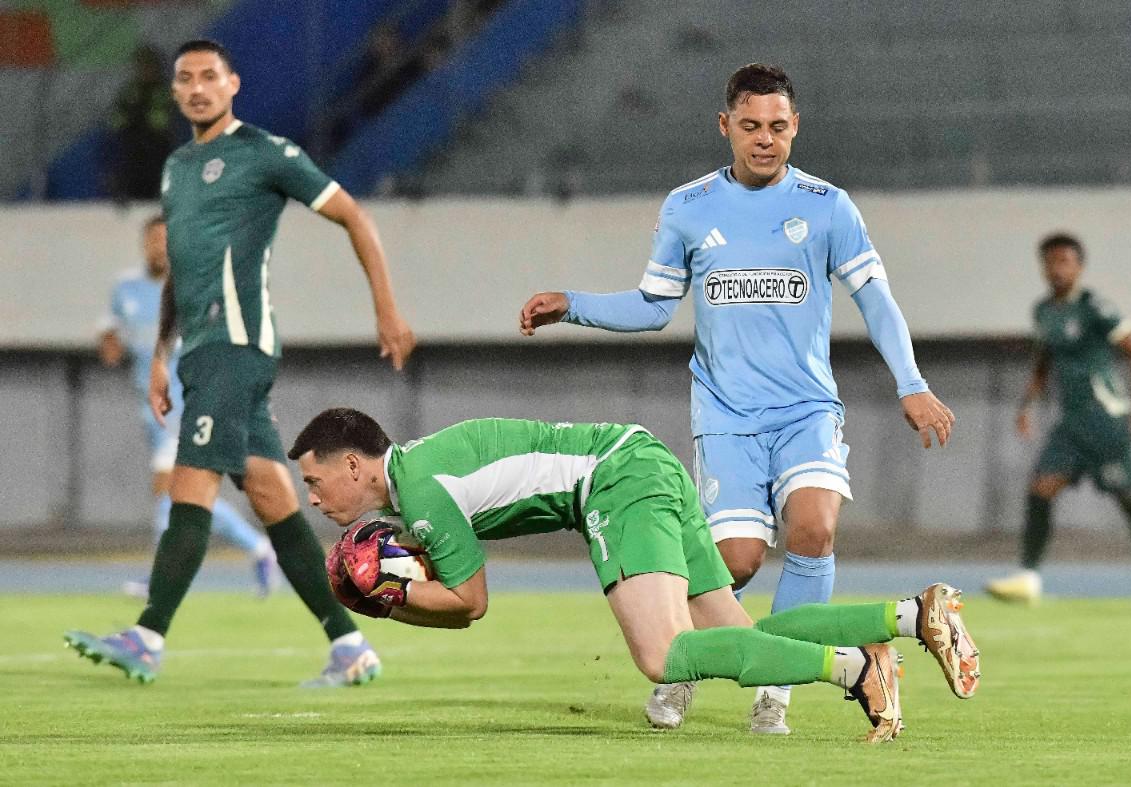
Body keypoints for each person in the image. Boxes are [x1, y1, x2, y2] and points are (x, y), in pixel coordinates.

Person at [518, 63, 955, 733]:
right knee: (736, 561)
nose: (765, 139)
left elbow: (876, 298)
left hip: (807, 411)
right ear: (726, 126)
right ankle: (683, 664)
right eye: (750, 126)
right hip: (726, 418)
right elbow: (653, 306)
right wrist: (572, 305)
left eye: (778, 126)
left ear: (795, 126)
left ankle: (776, 686)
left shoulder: (827, 205)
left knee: (814, 528)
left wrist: (913, 382)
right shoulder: (689, 208)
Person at [288, 408, 979, 743]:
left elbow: (469, 603)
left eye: (316, 481)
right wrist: (401, 588)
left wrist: (390, 602)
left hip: (618, 482)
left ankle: (857, 670)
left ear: (355, 465)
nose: (315, 500)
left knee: (662, 653)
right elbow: (446, 577)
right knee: (736, 632)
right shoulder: (419, 483)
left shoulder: (424, 493)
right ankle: (912, 616)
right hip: (640, 460)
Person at [65, 39, 417, 686]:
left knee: (188, 487)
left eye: (209, 76)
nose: (197, 87)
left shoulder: (264, 153)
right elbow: (182, 271)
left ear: (232, 84)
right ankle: (349, 645)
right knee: (273, 501)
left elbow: (354, 216)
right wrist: (161, 356)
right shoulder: (175, 169)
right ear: (175, 92)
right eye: (185, 79)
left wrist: (387, 311)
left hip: (237, 346)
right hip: (200, 352)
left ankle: (146, 636)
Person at [986, 233, 1131, 610]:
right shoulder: (1044, 312)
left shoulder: (1095, 308)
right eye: (1050, 262)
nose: (1057, 269)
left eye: (1065, 262)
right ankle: (1028, 578)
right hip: (1070, 424)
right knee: (1041, 488)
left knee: (1128, 497)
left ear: (1079, 267)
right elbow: (1043, 361)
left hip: (1105, 418)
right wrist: (1026, 406)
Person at [98, 214, 276, 599]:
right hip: (155, 412)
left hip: (188, 404)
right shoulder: (126, 288)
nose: (159, 247)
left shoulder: (193, 289)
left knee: (169, 489)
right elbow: (112, 344)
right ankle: (259, 549)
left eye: (166, 240)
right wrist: (109, 339)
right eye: (153, 240)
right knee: (183, 494)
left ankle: (164, 578)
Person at [107, 45, 175, 201]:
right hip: (132, 153)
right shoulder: (131, 92)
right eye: (142, 66)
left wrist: (140, 114)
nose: (145, 71)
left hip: (156, 151)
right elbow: (117, 121)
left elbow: (160, 123)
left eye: (149, 66)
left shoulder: (163, 92)